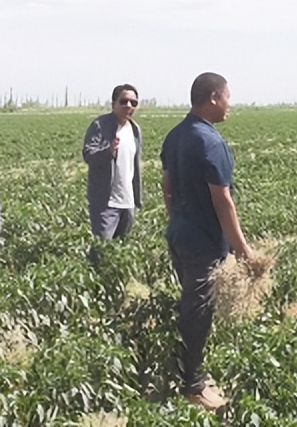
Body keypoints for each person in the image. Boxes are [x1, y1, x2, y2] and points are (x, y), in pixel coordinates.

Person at [161, 72, 253, 411]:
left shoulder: (175, 136)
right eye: (228, 96)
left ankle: (191, 372)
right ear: (213, 97)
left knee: (191, 304)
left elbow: (166, 186)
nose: (230, 104)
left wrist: (178, 219)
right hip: (202, 242)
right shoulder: (211, 142)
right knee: (197, 312)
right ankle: (193, 386)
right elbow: (223, 201)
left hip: (179, 234)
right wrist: (242, 249)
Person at [82, 84, 143, 239]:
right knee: (103, 249)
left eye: (133, 103)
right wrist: (108, 152)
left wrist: (136, 199)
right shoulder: (100, 126)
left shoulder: (135, 130)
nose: (128, 106)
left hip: (127, 202)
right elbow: (88, 154)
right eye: (124, 101)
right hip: (106, 204)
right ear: (113, 103)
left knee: (121, 250)